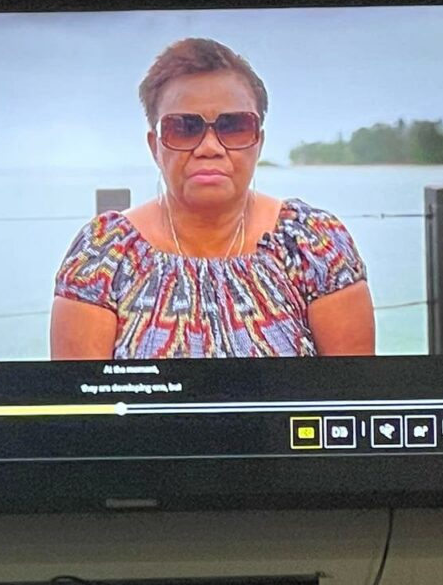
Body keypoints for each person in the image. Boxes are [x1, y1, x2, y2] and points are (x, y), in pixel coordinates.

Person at [52, 38, 375, 359]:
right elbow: (82, 404)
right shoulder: (103, 254)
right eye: (184, 127)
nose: (209, 147)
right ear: (155, 146)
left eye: (233, 126)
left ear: (258, 142)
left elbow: (353, 395)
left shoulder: (315, 244)